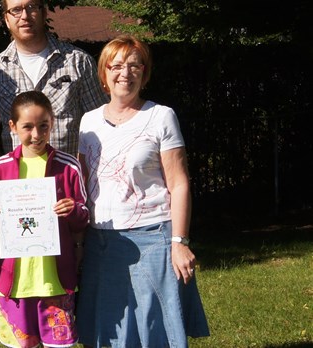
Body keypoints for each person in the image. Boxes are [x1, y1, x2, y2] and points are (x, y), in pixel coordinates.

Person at [75, 35, 210, 347]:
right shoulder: (88, 123)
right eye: (117, 65)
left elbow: (179, 183)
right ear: (104, 74)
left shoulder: (161, 116)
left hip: (153, 239)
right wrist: (78, 243)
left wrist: (179, 242)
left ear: (145, 74)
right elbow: (82, 186)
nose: (126, 72)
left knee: (153, 331)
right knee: (108, 331)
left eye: (135, 65)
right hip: (101, 243)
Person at [0, 91, 89, 348]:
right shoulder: (1, 168)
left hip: (55, 279)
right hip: (17, 281)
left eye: (43, 126)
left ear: (52, 122)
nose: (37, 134)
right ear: (12, 127)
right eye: (28, 127)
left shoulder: (68, 166)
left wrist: (73, 210)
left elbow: (84, 217)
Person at [0, 0, 108, 167]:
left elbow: (99, 123)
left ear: (44, 13)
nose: (25, 16)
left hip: (68, 181)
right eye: (16, 10)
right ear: (6, 20)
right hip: (18, 186)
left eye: (31, 7)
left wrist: (82, 177)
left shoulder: (78, 61)